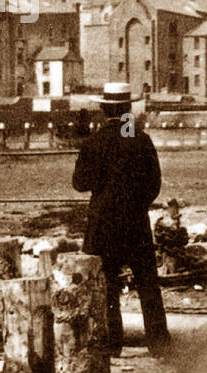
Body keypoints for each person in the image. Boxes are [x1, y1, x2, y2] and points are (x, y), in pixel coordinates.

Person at [72, 82, 171, 356]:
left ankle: (112, 343)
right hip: (136, 223)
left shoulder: (94, 142)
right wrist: (136, 204)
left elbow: (79, 183)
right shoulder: (139, 138)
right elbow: (154, 184)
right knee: (148, 284)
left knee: (108, 286)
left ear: (104, 109)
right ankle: (160, 344)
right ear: (129, 107)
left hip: (103, 223)